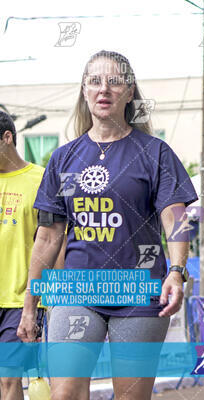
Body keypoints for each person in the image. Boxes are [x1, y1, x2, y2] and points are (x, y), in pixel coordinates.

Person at [17, 50, 197, 399]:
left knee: (130, 395)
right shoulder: (63, 158)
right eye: (95, 81)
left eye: (115, 82)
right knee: (65, 393)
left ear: (129, 92)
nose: (104, 89)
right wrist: (30, 304)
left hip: (139, 291)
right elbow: (48, 236)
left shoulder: (155, 152)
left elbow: (175, 218)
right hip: (77, 290)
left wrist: (176, 271)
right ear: (84, 90)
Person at [0, 111, 46, 400]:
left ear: (7, 138)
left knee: (8, 379)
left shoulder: (40, 179)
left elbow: (56, 243)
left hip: (20, 299)